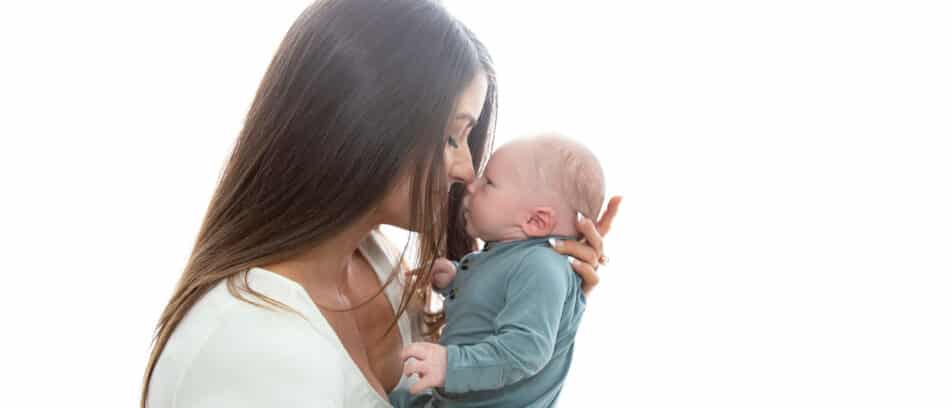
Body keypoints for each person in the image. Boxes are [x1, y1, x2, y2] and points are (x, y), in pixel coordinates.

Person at [140, 0, 622, 407]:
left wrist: (545, 303)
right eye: (453, 137)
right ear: (366, 126)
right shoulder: (247, 348)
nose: (467, 171)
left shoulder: (376, 262)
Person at [391, 134, 604, 407]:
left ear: (535, 220)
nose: (470, 186)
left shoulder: (541, 267)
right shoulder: (506, 258)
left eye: (488, 183)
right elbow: (491, 299)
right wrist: (454, 278)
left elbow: (526, 351)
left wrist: (450, 365)